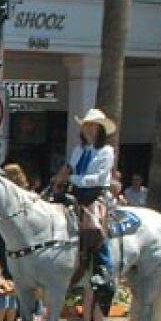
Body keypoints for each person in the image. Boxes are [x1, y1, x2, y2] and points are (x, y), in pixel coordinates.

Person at [54, 108, 116, 290]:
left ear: (100, 130)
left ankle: (102, 267)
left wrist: (70, 178)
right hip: (75, 192)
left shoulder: (106, 151)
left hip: (95, 193)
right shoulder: (78, 150)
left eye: (92, 126)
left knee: (94, 226)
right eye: (86, 126)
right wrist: (59, 178)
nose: (88, 130)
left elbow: (97, 178)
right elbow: (69, 168)